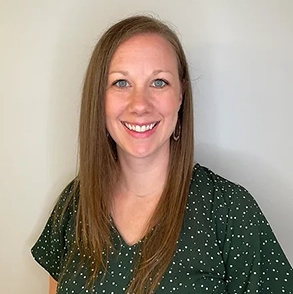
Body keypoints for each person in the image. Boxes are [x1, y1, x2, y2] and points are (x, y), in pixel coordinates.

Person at [31, 15, 293, 294]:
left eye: (158, 82)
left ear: (180, 95)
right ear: (99, 97)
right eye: (121, 83)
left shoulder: (230, 210)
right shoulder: (74, 203)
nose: (140, 105)